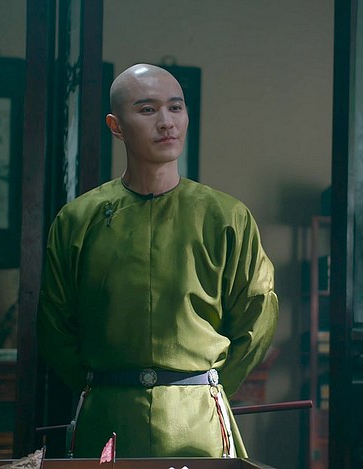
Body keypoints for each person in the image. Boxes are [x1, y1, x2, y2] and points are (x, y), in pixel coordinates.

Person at [36, 63, 279, 458]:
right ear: (116, 126)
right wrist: (100, 385)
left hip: (197, 417)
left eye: (175, 107)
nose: (166, 122)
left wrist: (208, 387)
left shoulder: (226, 217)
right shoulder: (77, 220)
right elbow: (54, 326)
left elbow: (257, 315)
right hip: (106, 414)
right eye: (148, 110)